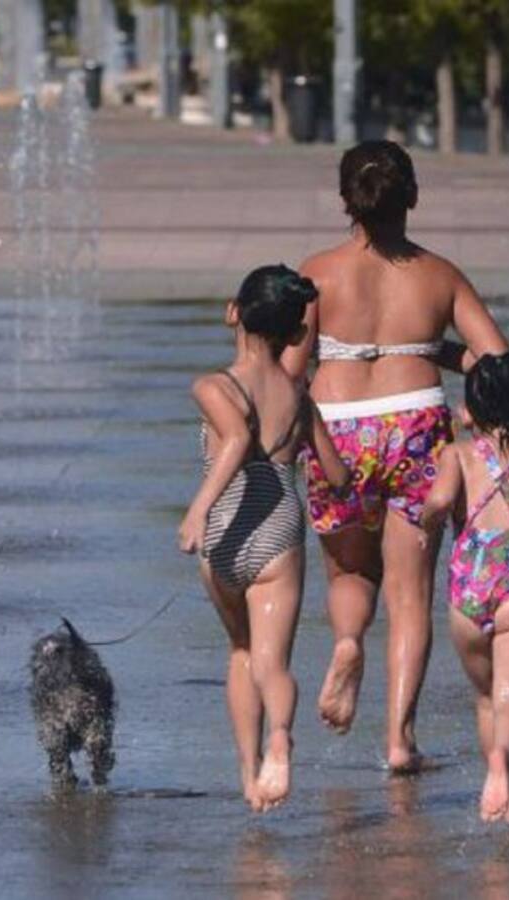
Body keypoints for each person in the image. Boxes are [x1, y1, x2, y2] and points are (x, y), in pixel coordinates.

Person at [281, 140, 509, 772]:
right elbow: (497, 361)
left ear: (345, 202)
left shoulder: (318, 272)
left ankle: (350, 641)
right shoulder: (440, 275)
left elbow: (293, 372)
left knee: (352, 574)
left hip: (337, 431)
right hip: (416, 427)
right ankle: (400, 741)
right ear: (412, 196)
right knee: (411, 595)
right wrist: (437, 353)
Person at [179, 265, 351, 812]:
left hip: (225, 532)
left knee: (241, 652)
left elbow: (234, 439)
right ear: (296, 334)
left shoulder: (212, 386)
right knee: (273, 662)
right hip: (277, 526)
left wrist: (197, 512)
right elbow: (338, 474)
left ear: (234, 312)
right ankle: (281, 737)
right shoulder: (299, 392)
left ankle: (250, 775)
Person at [418, 353, 509, 825]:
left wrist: (428, 525)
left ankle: (502, 777)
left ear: (466, 414)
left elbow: (440, 501)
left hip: (467, 590)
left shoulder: (457, 456)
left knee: (486, 698)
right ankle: (503, 762)